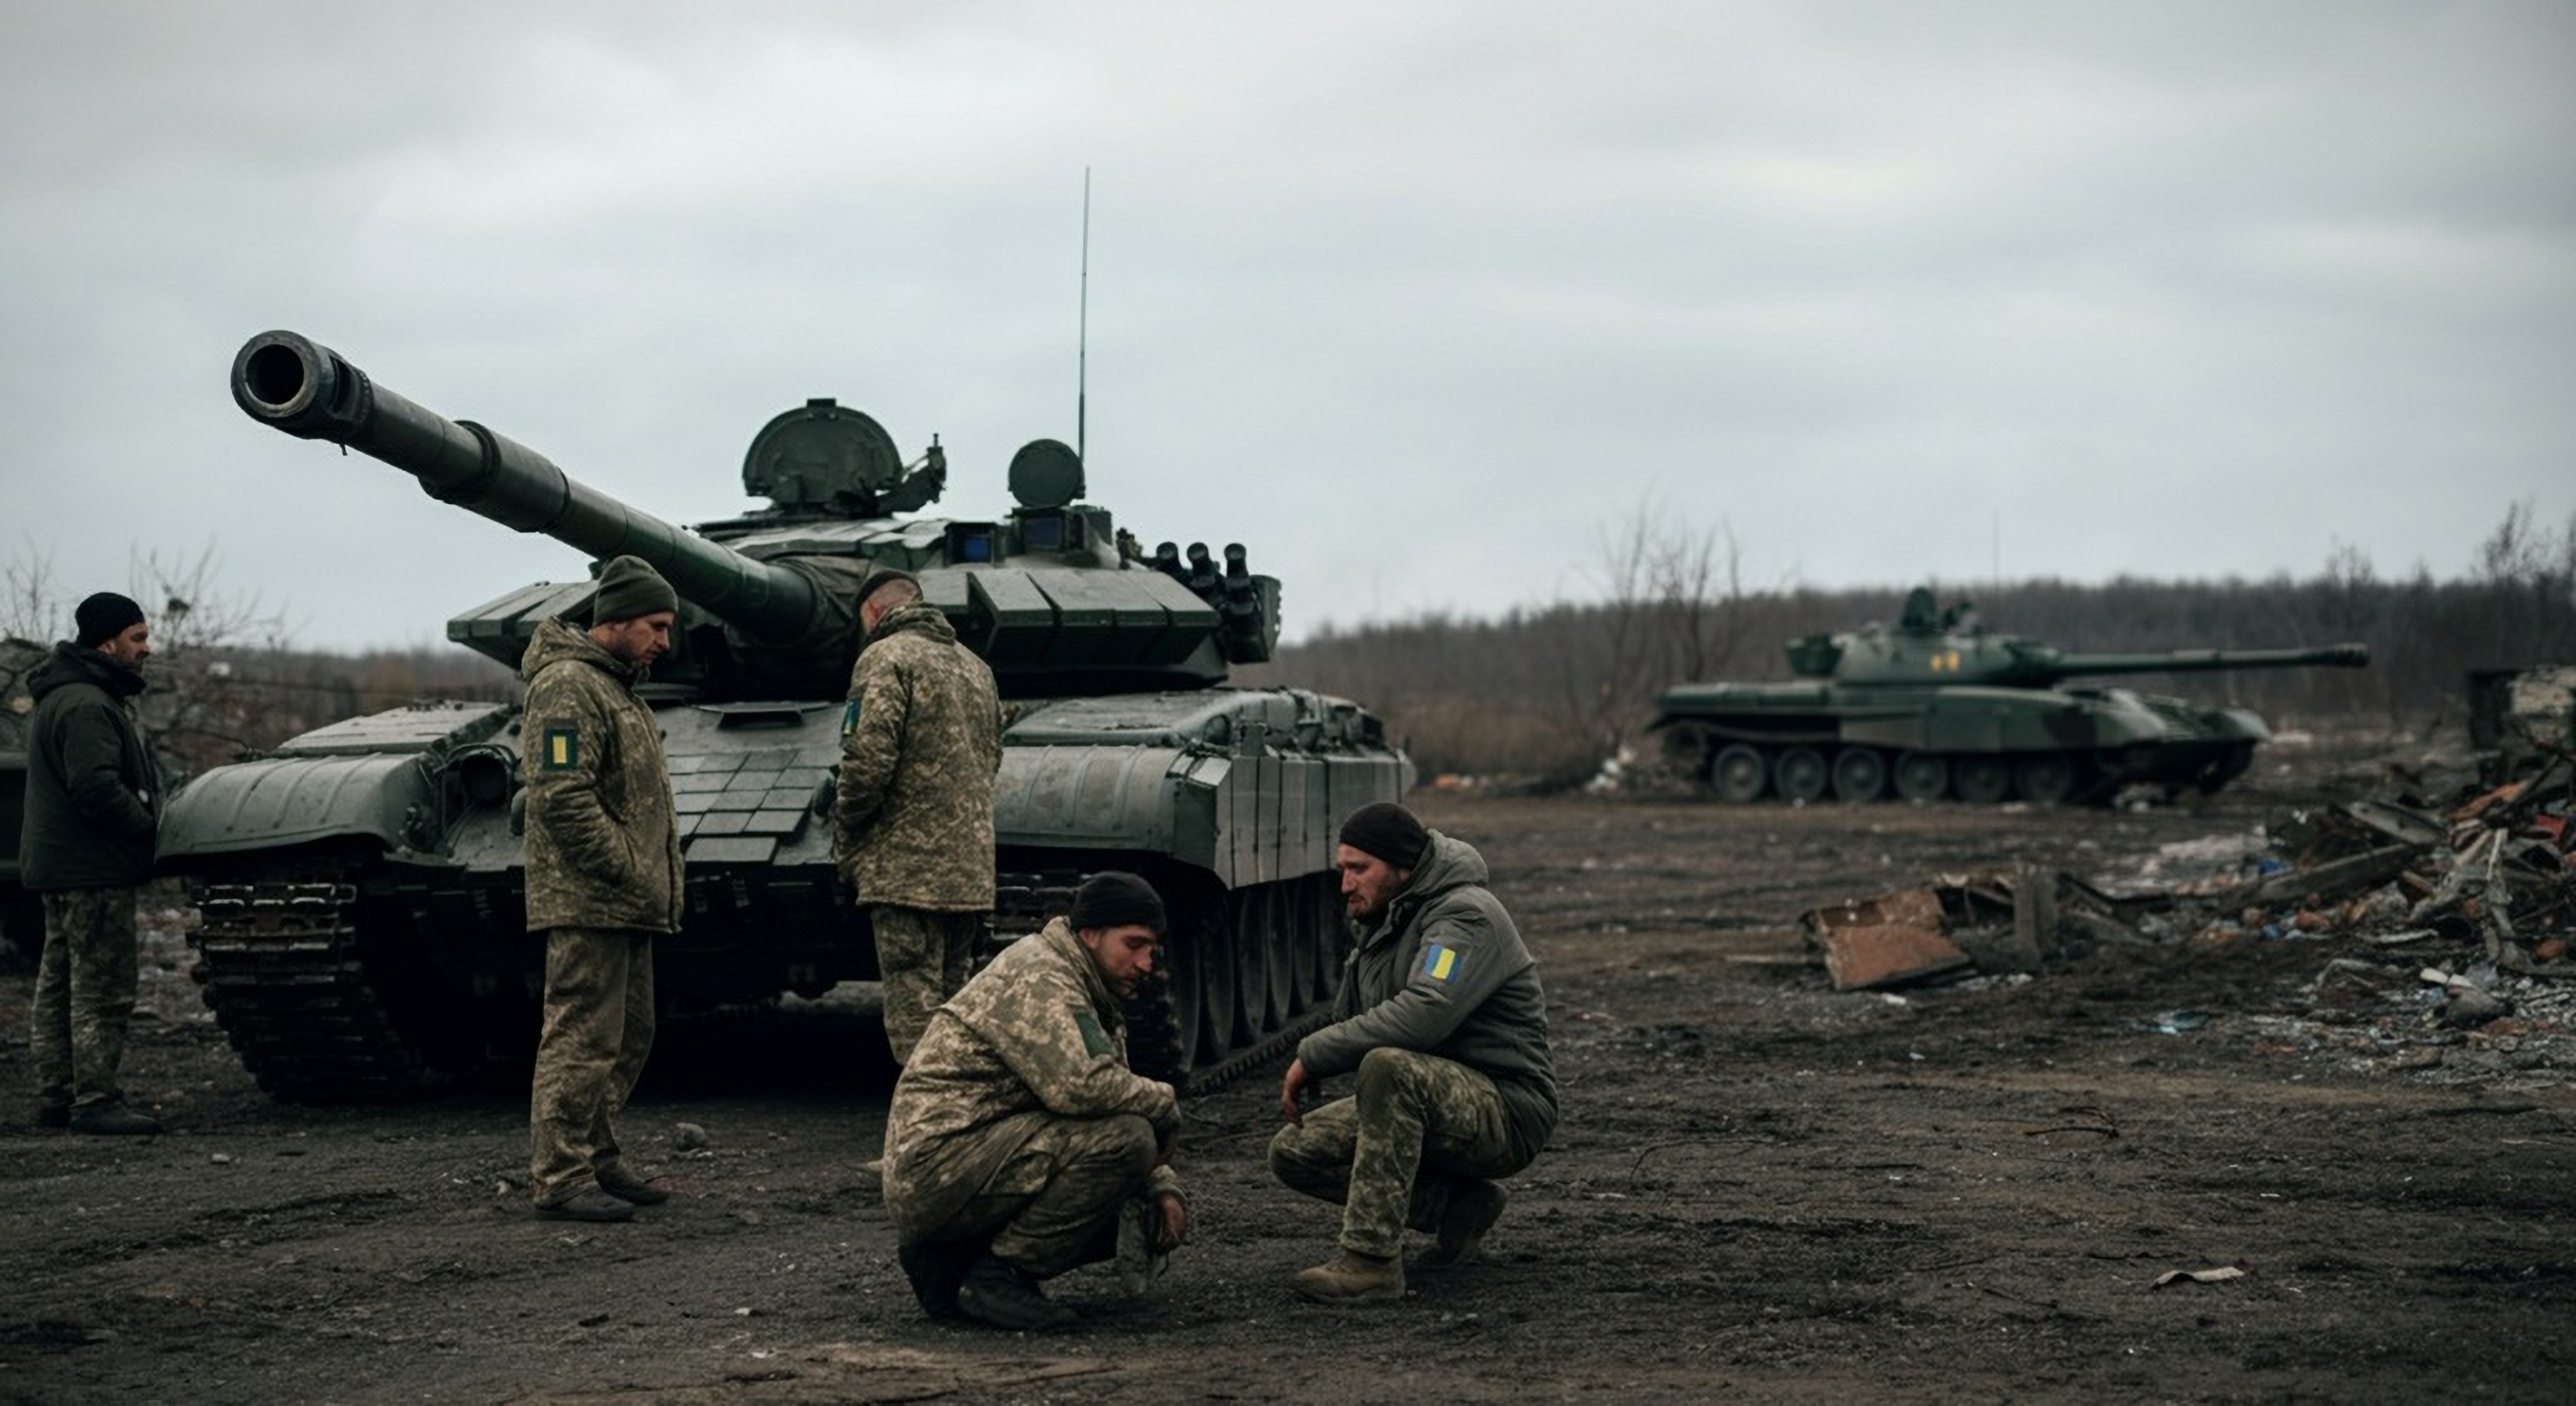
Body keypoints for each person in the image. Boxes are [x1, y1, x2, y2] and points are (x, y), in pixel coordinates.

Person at [1269, 800, 1558, 1302]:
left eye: (1359, 869)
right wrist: (1331, 1049)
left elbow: (1427, 1012)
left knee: (1390, 1069)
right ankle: (1457, 1207)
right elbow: (1353, 1017)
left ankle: (1371, 1262)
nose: (1345, 884)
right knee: (1296, 1151)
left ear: (1404, 867)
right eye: (1343, 870)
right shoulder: (1386, 923)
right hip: (1441, 1098)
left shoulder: (1463, 917)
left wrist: (1315, 1053)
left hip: (1507, 1108)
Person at [883, 871, 1189, 1331]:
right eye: (1135, 945)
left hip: (962, 1165)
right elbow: (1085, 1087)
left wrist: (1161, 1185)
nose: (1147, 963)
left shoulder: (1085, 984)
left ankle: (948, 1263)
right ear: (1091, 935)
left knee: (1136, 1202)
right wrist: (1167, 1103)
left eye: (1152, 949)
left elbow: (1112, 1089)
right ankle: (999, 1278)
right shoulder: (1043, 977)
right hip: (940, 1169)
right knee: (1127, 1143)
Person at [522, 556, 684, 1223]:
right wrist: (625, 865)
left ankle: (596, 1152)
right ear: (613, 620)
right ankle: (560, 1176)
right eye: (655, 625)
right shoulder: (568, 686)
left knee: (629, 1032)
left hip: (628, 897)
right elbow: (563, 794)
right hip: (591, 895)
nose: (664, 642)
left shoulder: (618, 686)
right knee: (582, 1036)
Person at [832, 567, 1003, 1066]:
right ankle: (963, 1114)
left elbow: (867, 762)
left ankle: (930, 1121)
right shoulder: (977, 668)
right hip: (967, 870)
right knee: (955, 1002)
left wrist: (848, 830)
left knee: (913, 1008)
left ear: (873, 612)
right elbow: (991, 759)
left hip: (906, 872)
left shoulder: (887, 657)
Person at [21, 592, 164, 1136]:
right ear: (107, 643)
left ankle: (58, 1096)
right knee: (102, 986)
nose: (146, 649)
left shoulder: (65, 695)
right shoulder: (87, 704)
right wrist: (148, 829)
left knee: (58, 985)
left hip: (63, 867)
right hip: (92, 869)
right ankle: (96, 1099)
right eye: (139, 638)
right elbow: (97, 787)